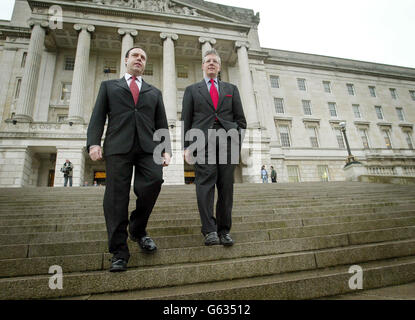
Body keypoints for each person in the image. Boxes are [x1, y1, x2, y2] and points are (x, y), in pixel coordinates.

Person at [87, 47, 171, 272]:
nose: (139, 60)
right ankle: (119, 251)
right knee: (116, 197)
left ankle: (137, 229)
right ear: (126, 60)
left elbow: (161, 123)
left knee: (154, 182)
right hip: (118, 146)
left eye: (143, 57)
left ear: (145, 64)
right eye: (135, 56)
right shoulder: (108, 86)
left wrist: (165, 149)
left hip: (147, 147)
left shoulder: (154, 92)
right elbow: (98, 116)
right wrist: (93, 142)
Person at [181, 49, 247, 247]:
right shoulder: (192, 90)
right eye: (208, 61)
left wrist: (237, 140)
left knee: (226, 188)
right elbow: (186, 120)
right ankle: (209, 230)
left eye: (215, 61)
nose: (211, 64)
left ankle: (224, 230)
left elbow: (241, 120)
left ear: (219, 67)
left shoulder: (231, 89)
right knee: (205, 186)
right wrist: (186, 147)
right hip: (202, 143)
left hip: (228, 142)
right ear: (203, 66)